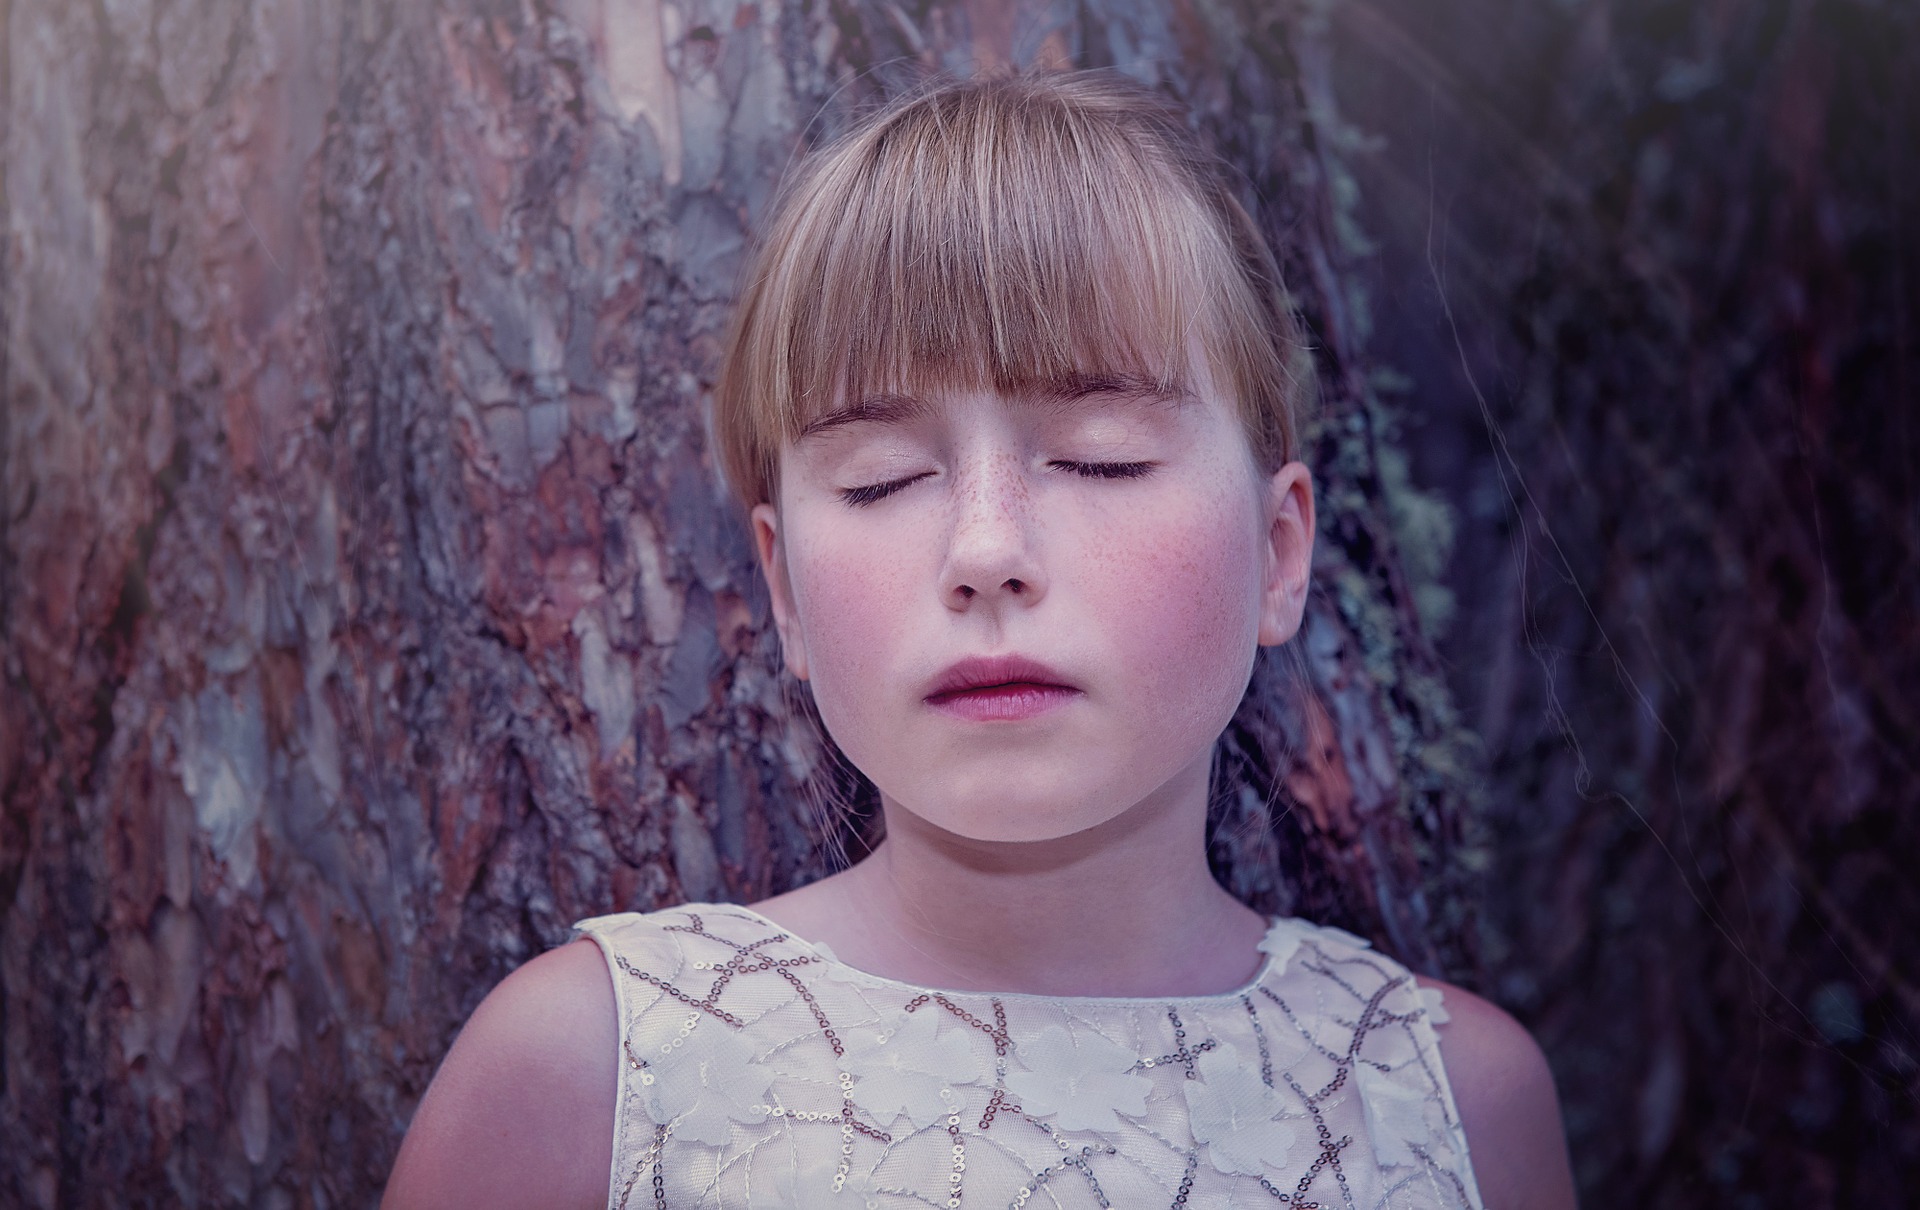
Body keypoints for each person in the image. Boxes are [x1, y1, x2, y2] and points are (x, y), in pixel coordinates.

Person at [383, 70, 1576, 1209]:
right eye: (880, 478)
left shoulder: (1454, 1108)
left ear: (1278, 554)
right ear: (782, 591)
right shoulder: (589, 1075)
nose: (984, 549)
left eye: (1100, 456)